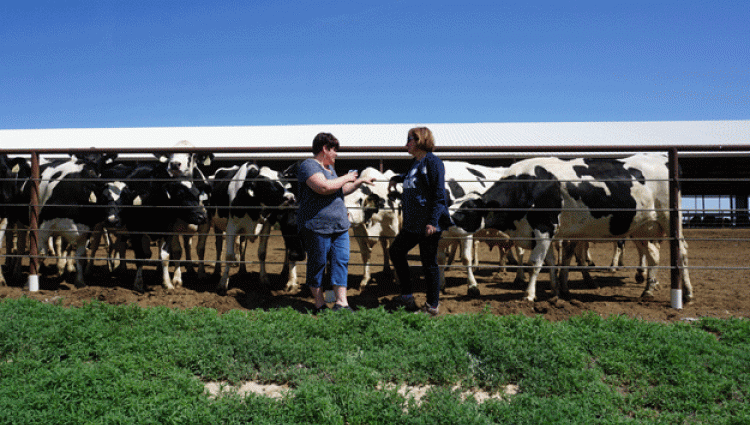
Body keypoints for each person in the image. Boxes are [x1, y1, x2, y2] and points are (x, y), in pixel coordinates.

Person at [297, 132, 375, 313]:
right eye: (334, 150)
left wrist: (359, 181)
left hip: (339, 226)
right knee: (317, 264)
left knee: (341, 261)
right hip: (317, 227)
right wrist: (346, 177)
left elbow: (339, 189)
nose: (336, 154)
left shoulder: (330, 170)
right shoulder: (308, 165)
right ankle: (319, 304)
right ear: (324, 149)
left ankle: (342, 303)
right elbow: (324, 187)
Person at [387, 127, 453, 316]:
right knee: (396, 251)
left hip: (427, 224)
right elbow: (410, 178)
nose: (406, 143)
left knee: (428, 262)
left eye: (410, 140)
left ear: (421, 140)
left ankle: (432, 306)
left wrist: (432, 222)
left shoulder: (433, 162)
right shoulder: (415, 162)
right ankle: (407, 296)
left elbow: (439, 195)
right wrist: (395, 178)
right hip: (412, 224)